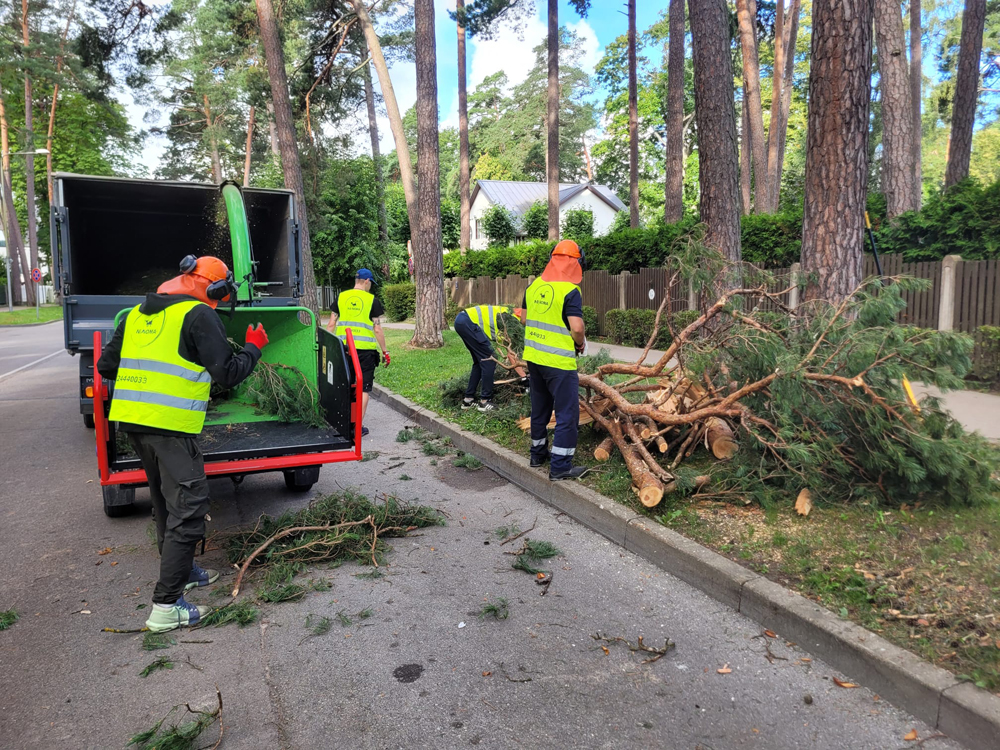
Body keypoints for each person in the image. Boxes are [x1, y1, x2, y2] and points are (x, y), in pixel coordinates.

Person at [97, 255, 268, 633]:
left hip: (134, 424)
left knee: (164, 500)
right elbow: (227, 373)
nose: (220, 302)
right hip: (170, 427)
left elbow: (107, 367)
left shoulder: (136, 314)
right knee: (189, 510)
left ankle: (184, 570)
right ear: (213, 286)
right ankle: (167, 605)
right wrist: (253, 347)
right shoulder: (197, 315)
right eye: (221, 294)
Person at [518, 240, 589, 481]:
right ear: (577, 263)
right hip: (559, 363)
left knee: (540, 409)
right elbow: (577, 327)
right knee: (567, 414)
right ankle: (560, 466)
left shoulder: (533, 286)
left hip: (534, 359)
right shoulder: (570, 290)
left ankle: (537, 454)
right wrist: (579, 343)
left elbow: (524, 320)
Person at [327, 269, 390, 436]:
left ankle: (342, 423)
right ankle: (357, 428)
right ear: (367, 281)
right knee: (363, 389)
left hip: (344, 349)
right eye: (371, 284)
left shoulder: (341, 297)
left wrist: (328, 345)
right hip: (365, 352)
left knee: (344, 386)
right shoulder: (371, 300)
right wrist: (385, 351)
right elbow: (377, 328)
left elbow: (331, 324)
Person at [453, 303, 527, 412]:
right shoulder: (511, 321)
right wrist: (524, 378)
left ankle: (468, 400)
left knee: (480, 361)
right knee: (490, 359)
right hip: (468, 322)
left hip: (462, 320)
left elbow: (509, 350)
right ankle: (485, 401)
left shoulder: (511, 313)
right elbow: (511, 355)